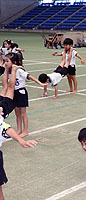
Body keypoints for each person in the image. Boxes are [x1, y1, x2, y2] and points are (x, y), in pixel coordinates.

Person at [0, 59, 38, 200]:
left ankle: (11, 69)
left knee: (7, 88)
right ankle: (8, 69)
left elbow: (6, 128)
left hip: (3, 109)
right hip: (2, 108)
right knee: (5, 88)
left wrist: (21, 140)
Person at [4, 53, 44, 138]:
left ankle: (25, 131)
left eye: (7, 61)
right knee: (17, 113)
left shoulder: (19, 70)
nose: (5, 63)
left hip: (21, 93)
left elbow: (29, 76)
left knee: (23, 113)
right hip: (13, 93)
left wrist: (40, 83)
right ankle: (19, 130)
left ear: (14, 62)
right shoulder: (9, 71)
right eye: (5, 61)